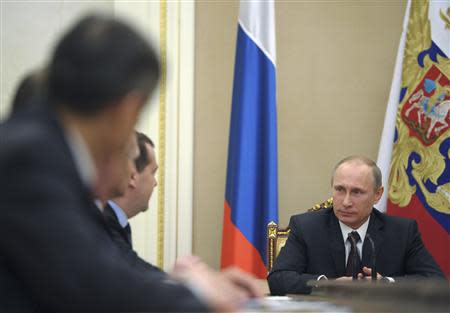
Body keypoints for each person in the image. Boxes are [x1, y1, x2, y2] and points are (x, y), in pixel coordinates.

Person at [0, 14, 260, 313]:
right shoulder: (31, 158)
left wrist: (194, 287)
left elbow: (100, 264)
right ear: (127, 108)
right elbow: (92, 285)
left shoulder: (40, 144)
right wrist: (201, 298)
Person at [268, 155, 445, 295]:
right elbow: (278, 279)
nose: (346, 202)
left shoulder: (402, 231)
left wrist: (386, 284)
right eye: (340, 189)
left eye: (357, 192)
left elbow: (436, 281)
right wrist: (326, 284)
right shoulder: (306, 227)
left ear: (377, 194)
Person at [103, 132, 163, 272]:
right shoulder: (103, 223)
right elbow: (130, 272)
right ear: (132, 177)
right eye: (152, 173)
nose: (155, 183)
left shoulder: (116, 222)